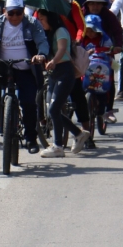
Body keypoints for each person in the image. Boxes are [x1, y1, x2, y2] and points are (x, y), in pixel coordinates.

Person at [0, 0, 48, 154]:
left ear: (23, 12)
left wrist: (41, 54)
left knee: (28, 102)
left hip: (26, 68)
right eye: (11, 13)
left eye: (18, 13)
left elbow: (42, 41)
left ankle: (30, 138)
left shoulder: (32, 23)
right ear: (4, 11)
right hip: (3, 67)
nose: (15, 16)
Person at [36, 9, 90, 157]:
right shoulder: (46, 33)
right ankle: (78, 134)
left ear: (50, 18)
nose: (40, 22)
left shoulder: (61, 31)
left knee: (54, 109)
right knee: (52, 109)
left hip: (64, 72)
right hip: (53, 74)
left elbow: (61, 49)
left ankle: (58, 146)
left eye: (42, 19)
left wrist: (53, 61)